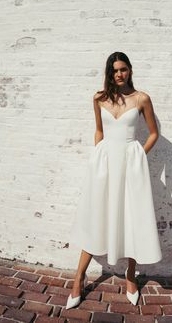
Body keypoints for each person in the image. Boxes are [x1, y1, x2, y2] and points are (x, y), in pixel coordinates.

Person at [66, 52, 162, 309]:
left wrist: (139, 154)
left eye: (123, 69)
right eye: (114, 70)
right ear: (109, 72)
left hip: (131, 166)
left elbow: (154, 133)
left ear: (130, 69)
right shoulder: (99, 98)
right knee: (97, 217)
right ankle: (78, 278)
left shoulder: (142, 98)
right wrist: (98, 158)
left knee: (132, 218)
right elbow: (99, 131)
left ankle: (131, 276)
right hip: (104, 166)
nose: (119, 74)